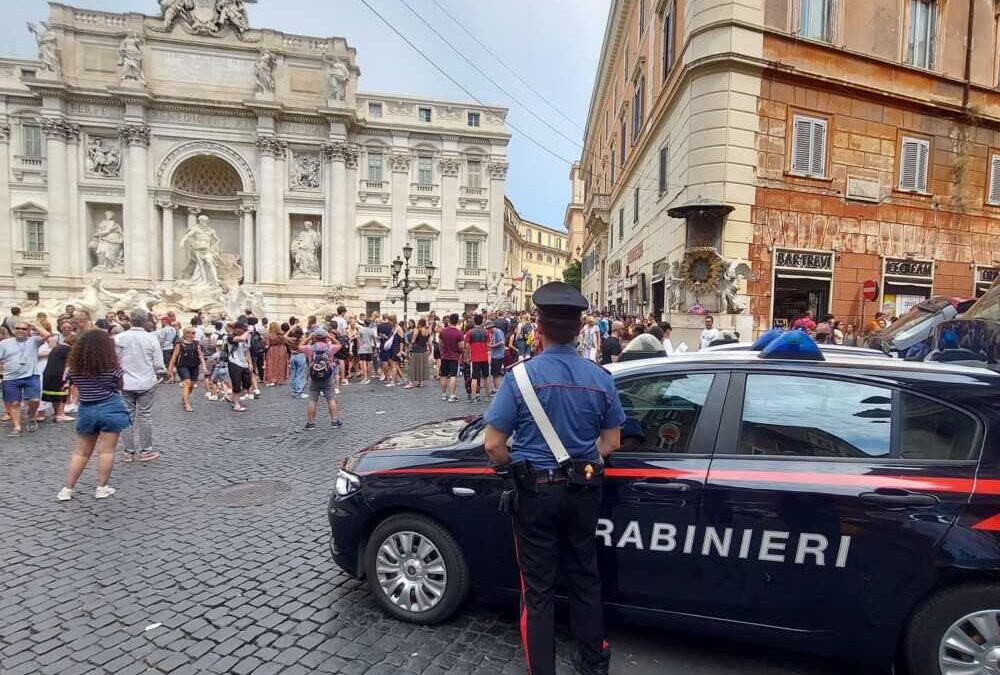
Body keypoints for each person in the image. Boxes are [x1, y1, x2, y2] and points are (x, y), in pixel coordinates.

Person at [483, 282, 625, 675]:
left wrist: (522, 466)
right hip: (584, 490)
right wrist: (580, 463)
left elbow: (493, 445)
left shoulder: (520, 378)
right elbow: (612, 442)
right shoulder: (600, 378)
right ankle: (594, 664)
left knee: (539, 592)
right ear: (580, 329)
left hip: (535, 493)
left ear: (538, 327)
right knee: (585, 576)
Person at [57, 329, 132, 502]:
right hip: (110, 407)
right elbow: (120, 385)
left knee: (81, 452)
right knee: (106, 451)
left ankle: (67, 489)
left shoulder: (74, 367)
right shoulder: (111, 365)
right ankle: (102, 487)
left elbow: (70, 383)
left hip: (86, 408)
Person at [115, 309, 163, 462]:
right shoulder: (151, 338)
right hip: (146, 382)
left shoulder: (119, 338)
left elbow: (114, 361)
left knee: (127, 417)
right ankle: (146, 450)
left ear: (130, 319)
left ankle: (129, 451)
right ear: (145, 321)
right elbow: (158, 364)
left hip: (125, 382)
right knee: (145, 416)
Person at [0, 317, 51, 436]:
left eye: (23, 328)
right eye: (17, 328)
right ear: (13, 330)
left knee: (34, 400)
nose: (20, 330)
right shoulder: (4, 343)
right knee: (14, 403)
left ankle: (31, 416)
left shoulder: (33, 340)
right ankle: (17, 427)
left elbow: (47, 334)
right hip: (11, 377)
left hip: (31, 375)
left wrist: (33, 323)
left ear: (28, 330)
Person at [301, 329, 343, 429]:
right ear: (326, 337)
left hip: (314, 376)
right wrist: (331, 337)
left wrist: (309, 338)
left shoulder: (310, 348)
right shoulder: (330, 347)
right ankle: (334, 421)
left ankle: (311, 423)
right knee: (331, 399)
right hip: (327, 376)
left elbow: (299, 346)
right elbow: (340, 345)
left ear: (315, 337)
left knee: (312, 400)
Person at [167, 327, 207, 412]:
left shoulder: (196, 343)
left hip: (194, 365)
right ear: (185, 334)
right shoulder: (180, 343)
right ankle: (186, 404)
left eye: (193, 333)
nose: (192, 335)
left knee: (191, 385)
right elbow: (174, 356)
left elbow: (200, 355)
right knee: (187, 383)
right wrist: (170, 369)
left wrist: (204, 366)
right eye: (190, 333)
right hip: (182, 365)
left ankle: (185, 397)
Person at [42, 322, 75, 423]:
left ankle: (57, 414)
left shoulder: (58, 347)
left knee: (54, 395)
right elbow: (68, 365)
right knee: (61, 395)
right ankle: (60, 414)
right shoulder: (68, 349)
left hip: (49, 374)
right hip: (59, 375)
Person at [227, 321, 254, 412]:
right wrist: (248, 331)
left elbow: (247, 351)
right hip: (234, 363)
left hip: (244, 363)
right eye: (242, 329)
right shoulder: (230, 337)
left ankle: (232, 397)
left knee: (248, 383)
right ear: (236, 329)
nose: (243, 331)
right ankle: (236, 405)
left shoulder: (247, 337)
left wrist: (250, 363)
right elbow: (241, 339)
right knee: (236, 384)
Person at [464, 314, 491, 403]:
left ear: (474, 321)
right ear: (482, 321)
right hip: (485, 357)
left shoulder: (470, 332)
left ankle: (474, 396)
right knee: (486, 376)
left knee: (475, 377)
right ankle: (487, 395)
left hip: (475, 358)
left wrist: (467, 357)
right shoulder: (486, 332)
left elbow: (467, 346)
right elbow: (488, 346)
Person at [438, 314, 463, 402]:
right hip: (454, 356)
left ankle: (444, 394)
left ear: (449, 321)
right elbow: (461, 346)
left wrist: (442, 352)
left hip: (444, 356)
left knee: (443, 375)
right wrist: (461, 352)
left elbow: (440, 343)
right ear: (457, 321)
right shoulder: (459, 333)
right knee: (453, 376)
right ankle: (452, 395)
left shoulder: (443, 331)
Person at [404, 318, 430, 389]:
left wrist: (409, 347)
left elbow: (413, 341)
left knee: (413, 367)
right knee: (421, 367)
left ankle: (411, 382)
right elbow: (428, 341)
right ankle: (420, 382)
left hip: (416, 350)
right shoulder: (427, 330)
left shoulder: (416, 330)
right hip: (424, 351)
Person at [487, 320, 506, 395]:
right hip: (496, 355)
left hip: (498, 356)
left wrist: (491, 346)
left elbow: (501, 342)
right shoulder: (495, 333)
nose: (488, 331)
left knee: (496, 374)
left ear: (490, 328)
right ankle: (496, 388)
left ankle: (498, 389)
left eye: (488, 329)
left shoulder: (497, 332)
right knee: (494, 374)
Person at [356, 319, 375, 384]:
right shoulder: (371, 330)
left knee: (363, 362)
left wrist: (358, 348)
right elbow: (374, 339)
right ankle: (369, 377)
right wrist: (375, 348)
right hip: (369, 348)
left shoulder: (361, 330)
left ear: (364, 323)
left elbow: (358, 340)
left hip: (362, 348)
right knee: (369, 362)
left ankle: (365, 377)